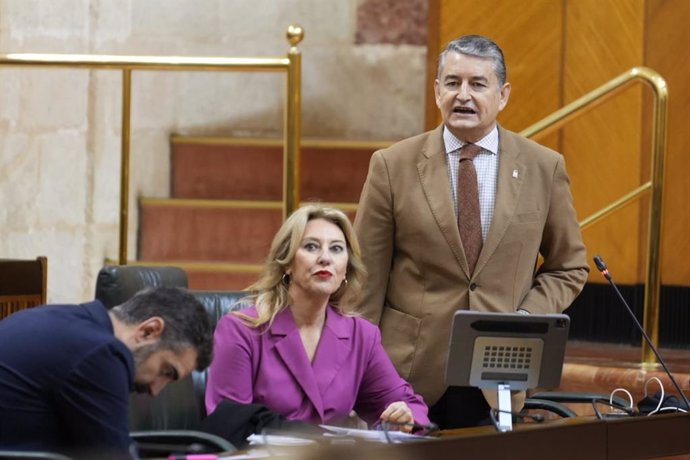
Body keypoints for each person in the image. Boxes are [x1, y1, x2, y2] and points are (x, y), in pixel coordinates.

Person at [353, 34, 589, 429]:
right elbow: (366, 281)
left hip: (500, 370)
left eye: (478, 84)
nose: (463, 95)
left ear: (503, 95)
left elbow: (569, 267)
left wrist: (525, 318)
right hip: (408, 375)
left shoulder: (542, 167)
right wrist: (360, 371)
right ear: (436, 90)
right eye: (452, 82)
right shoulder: (392, 166)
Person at [205, 204, 430, 431]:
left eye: (336, 249)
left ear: (345, 269)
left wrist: (404, 418)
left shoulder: (361, 336)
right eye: (311, 247)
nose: (325, 258)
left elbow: (409, 405)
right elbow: (228, 424)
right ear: (287, 263)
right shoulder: (241, 331)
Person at [0, 286, 213, 458]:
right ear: (148, 331)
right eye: (166, 371)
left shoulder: (58, 319)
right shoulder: (100, 353)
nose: (156, 390)